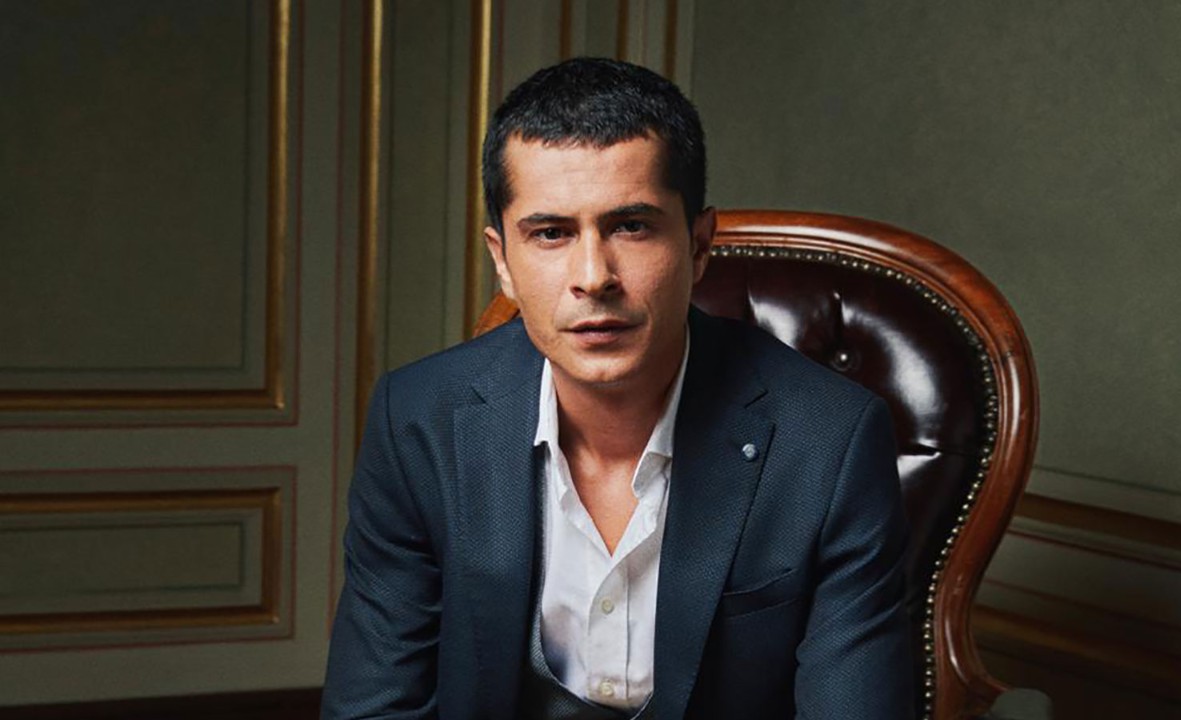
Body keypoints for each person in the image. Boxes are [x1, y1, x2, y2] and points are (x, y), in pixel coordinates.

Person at [322, 57, 912, 720]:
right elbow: (373, 707)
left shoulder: (830, 440)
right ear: (503, 262)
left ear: (699, 246)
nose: (593, 276)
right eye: (551, 233)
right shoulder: (417, 420)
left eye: (631, 226)